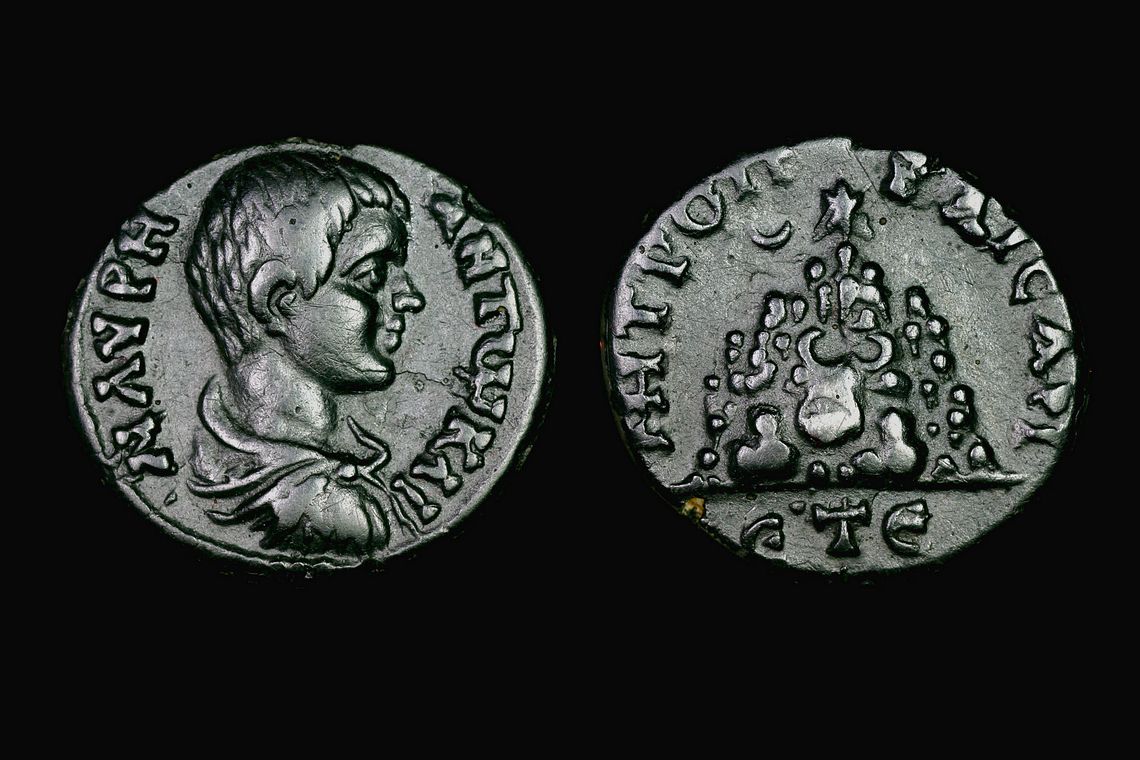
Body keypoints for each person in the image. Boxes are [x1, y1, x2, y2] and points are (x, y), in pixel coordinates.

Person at [184, 150, 425, 555]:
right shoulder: (317, 508)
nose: (411, 298)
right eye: (371, 276)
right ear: (279, 304)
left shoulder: (353, 456)